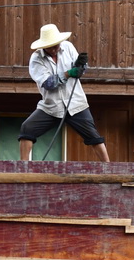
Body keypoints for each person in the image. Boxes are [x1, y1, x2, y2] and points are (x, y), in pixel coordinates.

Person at [19, 24, 109, 162]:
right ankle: (23, 166)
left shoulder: (68, 47)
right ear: (43, 46)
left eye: (56, 45)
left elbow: (80, 69)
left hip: (76, 103)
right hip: (51, 106)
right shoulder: (36, 59)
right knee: (27, 128)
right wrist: (68, 73)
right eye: (51, 47)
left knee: (93, 136)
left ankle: (108, 167)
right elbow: (48, 84)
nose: (55, 49)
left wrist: (81, 67)